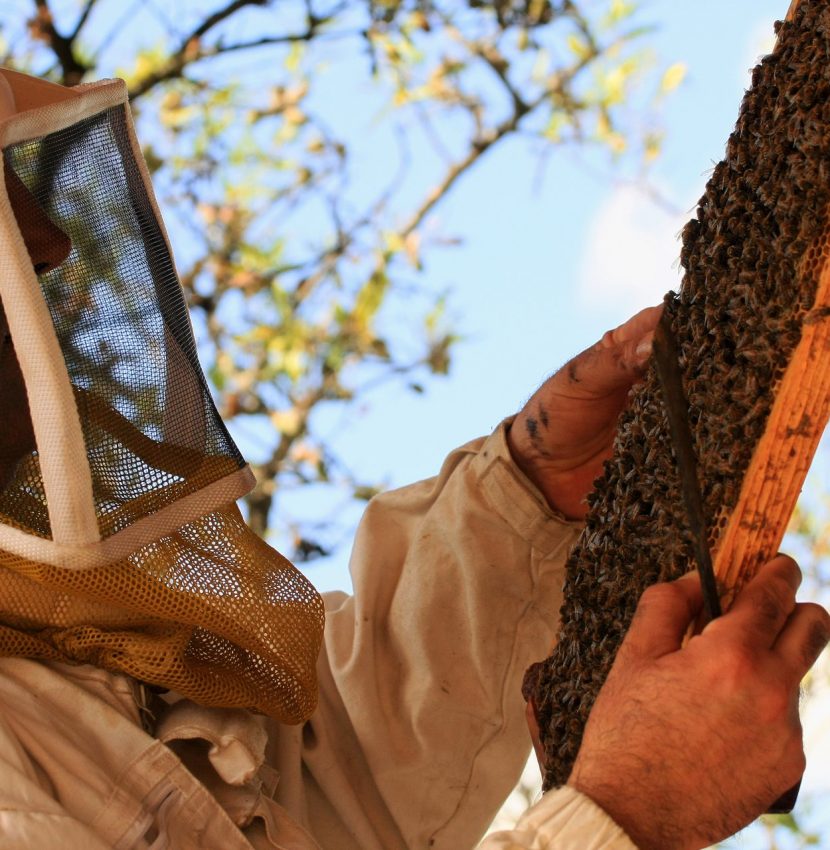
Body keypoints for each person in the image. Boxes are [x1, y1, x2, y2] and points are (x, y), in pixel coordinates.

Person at [0, 66, 827, 850]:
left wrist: (524, 504)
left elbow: (334, 788)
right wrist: (628, 811)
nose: (49, 245)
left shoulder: (60, 657)